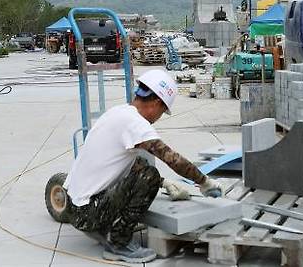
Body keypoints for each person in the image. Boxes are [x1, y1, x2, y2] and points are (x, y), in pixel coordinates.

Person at [63, 69, 223, 263]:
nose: (159, 117)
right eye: (163, 111)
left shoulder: (118, 112)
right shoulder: (136, 123)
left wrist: (165, 183)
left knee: (140, 164)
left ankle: (106, 226)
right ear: (156, 103)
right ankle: (118, 243)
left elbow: (127, 164)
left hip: (73, 206)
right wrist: (203, 182)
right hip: (87, 214)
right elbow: (172, 158)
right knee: (150, 175)